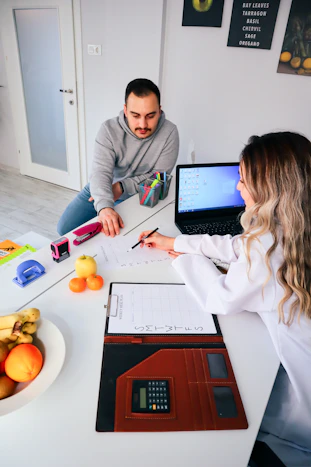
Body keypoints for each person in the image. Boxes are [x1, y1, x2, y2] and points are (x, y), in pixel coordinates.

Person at [137, 131, 311, 467]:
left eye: (243, 180)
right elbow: (237, 247)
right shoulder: (295, 223)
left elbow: (219, 298)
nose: (237, 188)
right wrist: (175, 241)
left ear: (270, 190)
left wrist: (180, 258)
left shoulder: (266, 250)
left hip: (301, 409)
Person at [57, 78, 179, 237]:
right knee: (65, 229)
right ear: (126, 110)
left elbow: (157, 178)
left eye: (150, 115)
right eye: (135, 115)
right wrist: (104, 206)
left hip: (141, 195)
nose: (143, 124)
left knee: (117, 238)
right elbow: (100, 172)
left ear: (160, 110)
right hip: (103, 186)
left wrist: (122, 187)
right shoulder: (108, 129)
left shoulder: (170, 132)